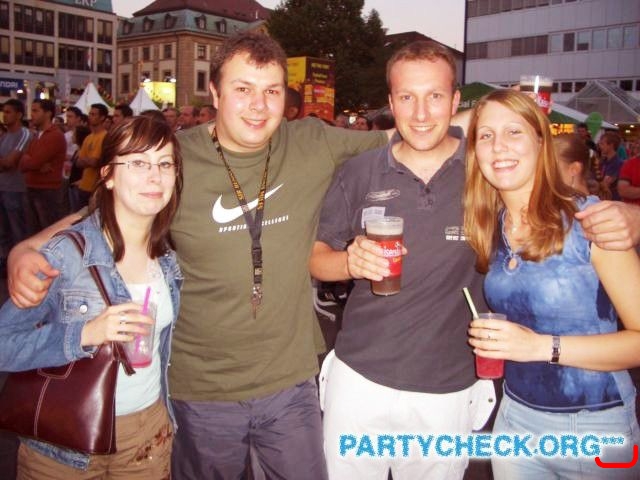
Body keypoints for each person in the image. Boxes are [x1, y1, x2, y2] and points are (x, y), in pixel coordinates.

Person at [8, 31, 391, 480]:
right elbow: (101, 212)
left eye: (271, 91)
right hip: (201, 391)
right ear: (215, 93)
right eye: (243, 89)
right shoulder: (176, 158)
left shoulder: (312, 141)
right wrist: (27, 248)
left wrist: (465, 113)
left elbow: (410, 134)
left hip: (289, 384)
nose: (259, 105)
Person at [309, 39, 495, 480]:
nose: (421, 113)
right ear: (391, 103)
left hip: (447, 388)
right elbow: (316, 258)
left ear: (455, 101)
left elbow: (554, 207)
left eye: (435, 96)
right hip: (358, 381)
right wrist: (350, 263)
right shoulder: (359, 171)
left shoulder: (486, 171)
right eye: (407, 97)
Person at [464, 89, 640, 479]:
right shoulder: (488, 227)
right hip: (514, 419)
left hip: (594, 425)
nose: (499, 146)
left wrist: (540, 347)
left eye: (514, 131)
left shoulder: (588, 222)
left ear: (541, 143)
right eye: (486, 136)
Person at [0, 115, 183, 478]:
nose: (155, 176)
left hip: (146, 433)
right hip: (65, 440)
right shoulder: (66, 255)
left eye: (165, 164)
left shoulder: (167, 258)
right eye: (138, 163)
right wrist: (84, 334)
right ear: (108, 175)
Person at [19, 99, 66, 233]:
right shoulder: (37, 136)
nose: (32, 114)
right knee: (33, 231)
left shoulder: (55, 135)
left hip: (47, 190)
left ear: (48, 113)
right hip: (32, 186)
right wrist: (31, 161)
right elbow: (23, 162)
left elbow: (34, 162)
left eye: (35, 111)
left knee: (47, 231)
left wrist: (31, 161)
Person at [0, 99, 31, 270]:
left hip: (15, 189)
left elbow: (10, 162)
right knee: (3, 231)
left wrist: (5, 162)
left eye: (8, 112)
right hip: (2, 187)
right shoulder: (5, 136)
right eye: (4, 112)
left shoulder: (24, 134)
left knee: (17, 230)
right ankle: (5, 261)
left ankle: (19, 263)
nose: (5, 115)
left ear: (19, 115)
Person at [72, 103, 108, 211]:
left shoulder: (105, 136)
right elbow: (78, 162)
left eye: (93, 114)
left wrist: (86, 160)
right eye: (90, 114)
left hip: (95, 187)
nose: (90, 116)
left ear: (102, 117)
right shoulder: (88, 138)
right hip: (84, 186)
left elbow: (95, 162)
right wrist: (88, 161)